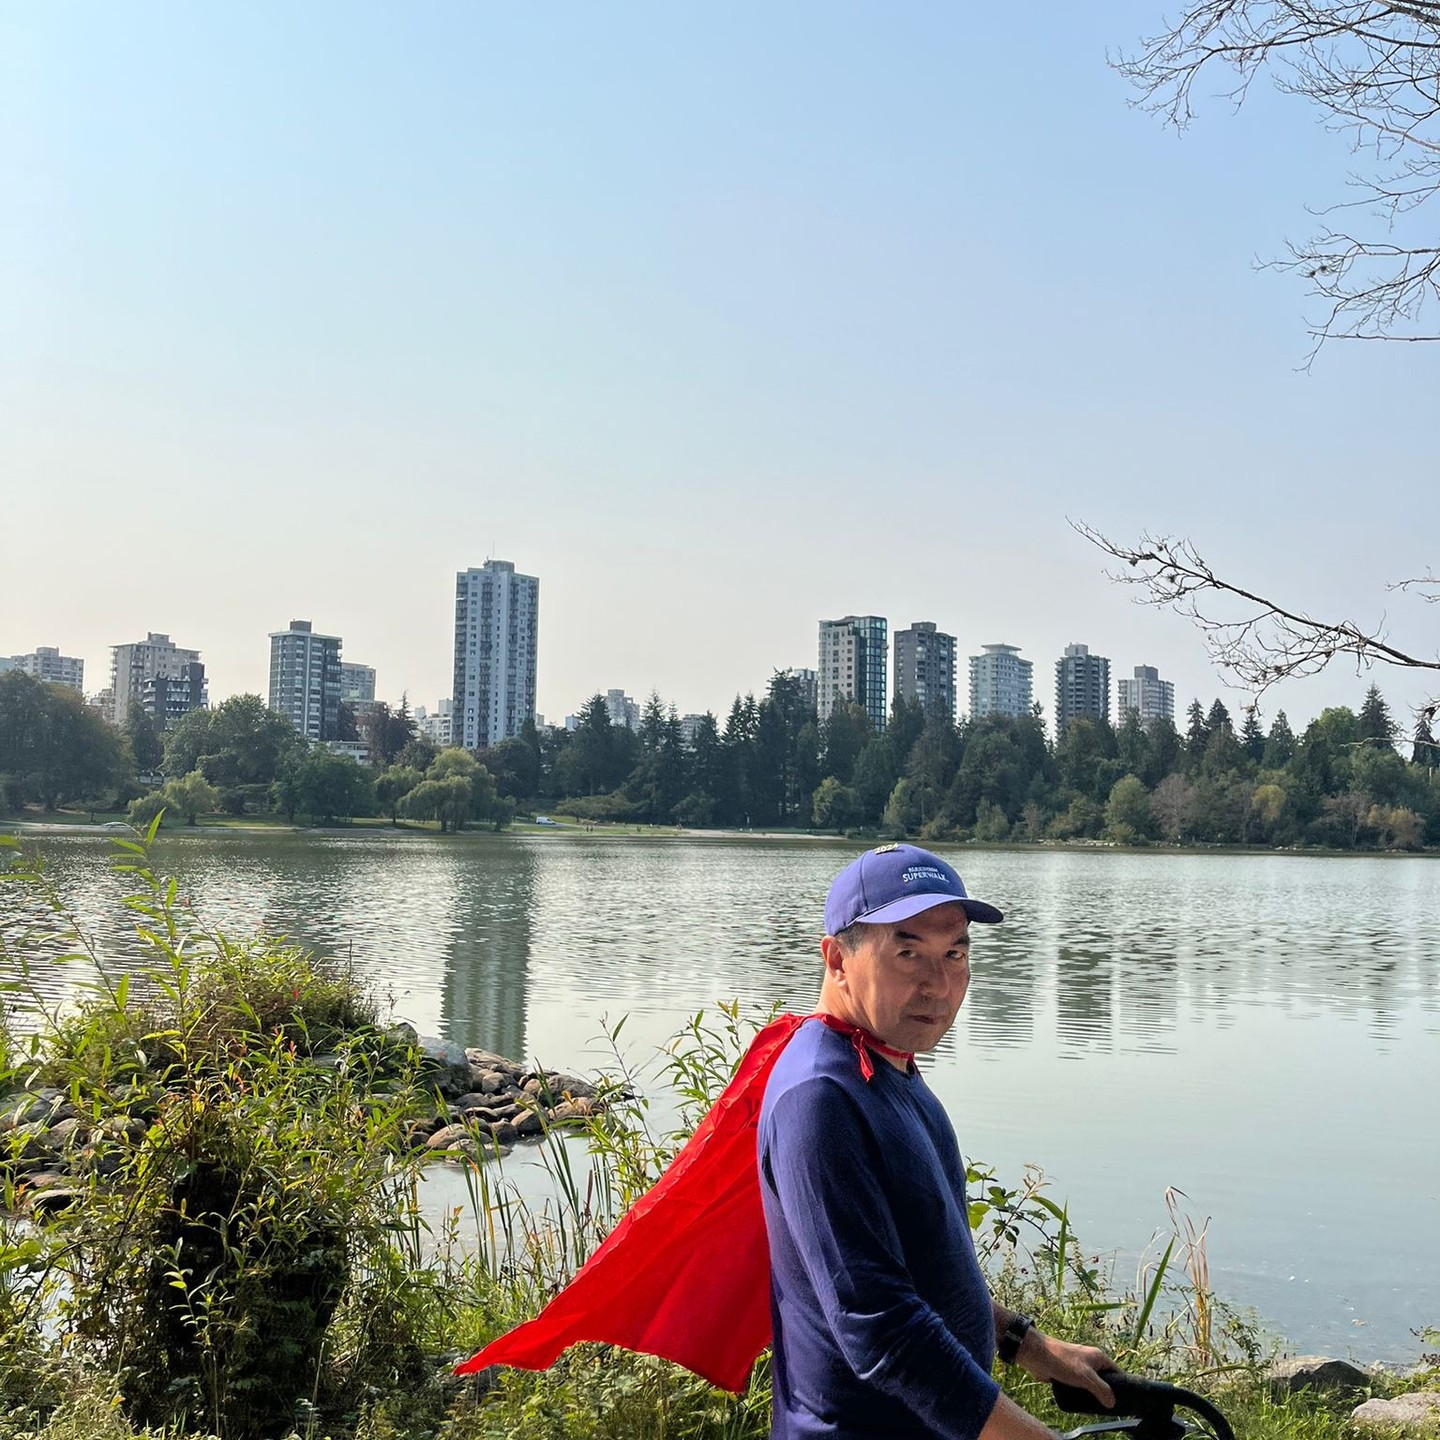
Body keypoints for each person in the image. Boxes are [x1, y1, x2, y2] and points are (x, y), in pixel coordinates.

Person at [758, 843, 1115, 1439]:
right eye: (908, 952)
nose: (939, 984)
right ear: (837, 959)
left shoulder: (886, 1064)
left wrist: (1032, 1346)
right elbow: (883, 1330)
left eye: (954, 953)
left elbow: (919, 1269)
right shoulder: (821, 1098)